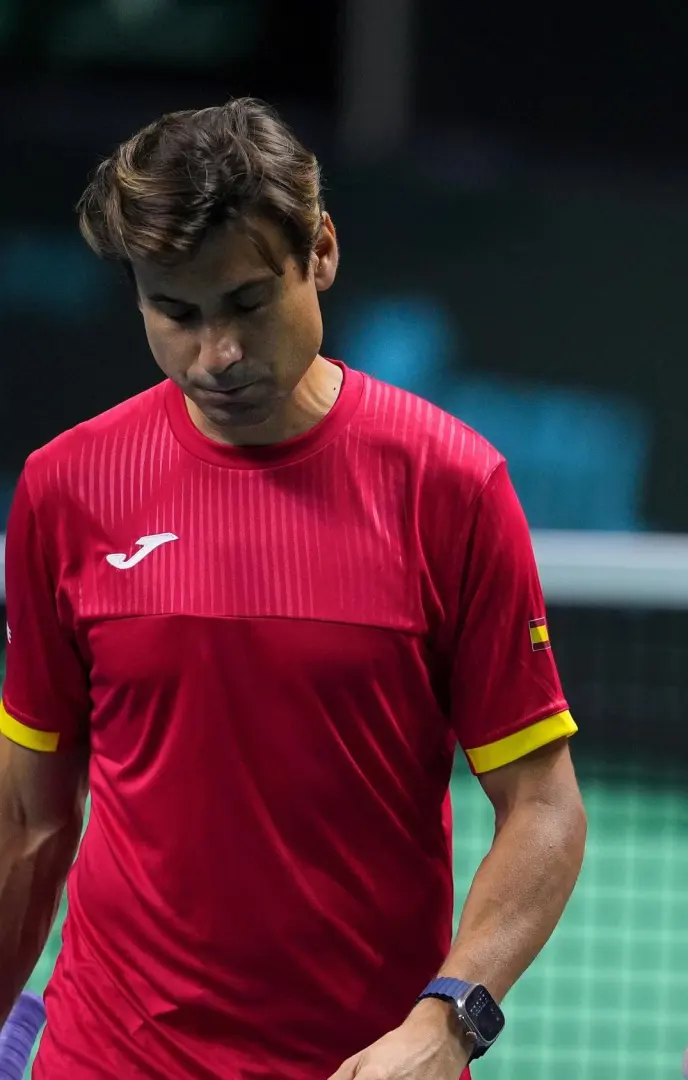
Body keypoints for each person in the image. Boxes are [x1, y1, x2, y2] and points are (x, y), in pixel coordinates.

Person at [0, 99, 588, 1078]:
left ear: (320, 251)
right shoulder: (67, 488)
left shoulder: (450, 486)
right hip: (109, 1056)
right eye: (175, 315)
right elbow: (30, 815)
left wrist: (446, 1022)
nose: (216, 356)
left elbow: (543, 808)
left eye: (247, 304)